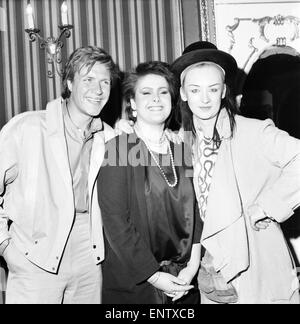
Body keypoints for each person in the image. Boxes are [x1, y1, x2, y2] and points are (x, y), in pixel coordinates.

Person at [170, 41, 300, 304]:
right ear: (183, 93)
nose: (204, 99)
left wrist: (268, 206)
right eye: (195, 90)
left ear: (223, 91)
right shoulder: (180, 143)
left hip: (257, 262)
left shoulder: (254, 131)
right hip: (211, 269)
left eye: (213, 89)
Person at [0, 46, 119, 304]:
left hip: (90, 253)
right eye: (88, 79)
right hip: (34, 255)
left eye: (105, 82)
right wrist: (5, 246)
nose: (98, 90)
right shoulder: (27, 127)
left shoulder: (110, 138)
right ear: (69, 83)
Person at [97, 61, 202, 304]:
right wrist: (155, 277)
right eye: (146, 93)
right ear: (132, 103)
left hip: (184, 281)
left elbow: (197, 213)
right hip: (139, 283)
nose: (156, 99)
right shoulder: (120, 148)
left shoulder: (182, 147)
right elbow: (115, 223)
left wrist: (191, 267)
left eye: (163, 92)